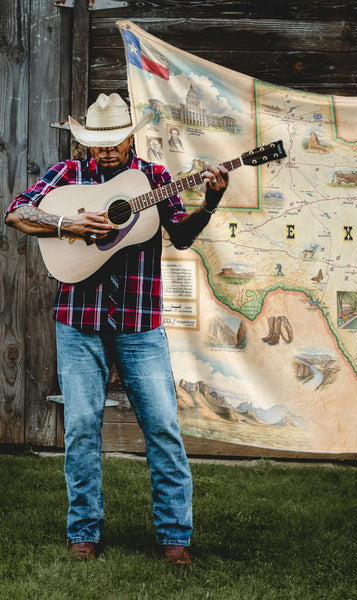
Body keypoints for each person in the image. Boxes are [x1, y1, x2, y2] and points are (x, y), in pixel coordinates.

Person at [4, 92, 228, 565]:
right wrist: (66, 222)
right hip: (78, 321)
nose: (105, 152)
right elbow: (17, 212)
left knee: (163, 427)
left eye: (114, 142)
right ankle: (84, 531)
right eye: (96, 143)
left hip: (138, 322)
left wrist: (209, 202)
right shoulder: (68, 174)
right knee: (83, 427)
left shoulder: (155, 178)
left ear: (130, 137)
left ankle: (175, 537)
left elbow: (182, 237)